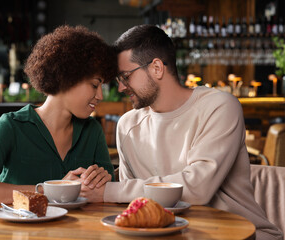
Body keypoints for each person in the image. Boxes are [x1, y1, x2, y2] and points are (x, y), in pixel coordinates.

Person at [81, 24, 283, 240]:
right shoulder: (127, 125)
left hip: (243, 234)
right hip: (170, 235)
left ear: (157, 68)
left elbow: (197, 188)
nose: (121, 88)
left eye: (126, 77)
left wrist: (108, 191)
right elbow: (134, 203)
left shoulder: (219, 106)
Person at [0, 25, 118, 207]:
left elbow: (107, 196)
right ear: (67, 76)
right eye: (94, 84)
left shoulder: (92, 131)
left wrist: (104, 182)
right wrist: (52, 189)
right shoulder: (12, 126)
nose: (100, 95)